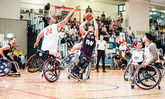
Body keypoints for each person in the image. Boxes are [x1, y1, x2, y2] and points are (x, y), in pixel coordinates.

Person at [34, 6, 80, 78]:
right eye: (53, 18)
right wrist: (73, 10)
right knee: (55, 60)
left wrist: (36, 43)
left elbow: (38, 36)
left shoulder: (45, 28)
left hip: (44, 48)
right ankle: (50, 72)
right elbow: (66, 20)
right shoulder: (56, 26)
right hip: (52, 48)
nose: (54, 18)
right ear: (51, 21)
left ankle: (44, 71)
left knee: (48, 59)